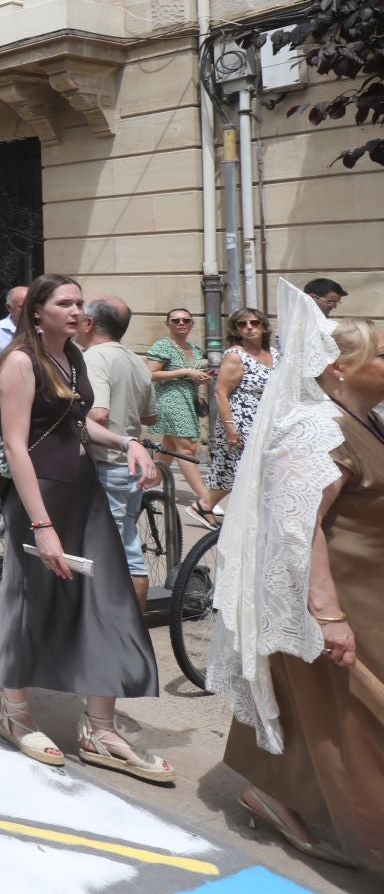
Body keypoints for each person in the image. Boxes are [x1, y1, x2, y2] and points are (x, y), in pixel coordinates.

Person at [212, 286, 382, 871]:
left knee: (318, 704)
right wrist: (328, 616)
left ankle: (272, 789)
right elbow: (298, 527)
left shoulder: (368, 419)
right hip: (348, 599)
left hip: (373, 589)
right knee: (356, 715)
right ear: (340, 369)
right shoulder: (316, 429)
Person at [0, 274, 171, 783]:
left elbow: (77, 423)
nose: (76, 311)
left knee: (107, 599)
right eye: (65, 303)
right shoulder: (20, 361)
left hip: (83, 490)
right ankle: (15, 712)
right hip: (41, 496)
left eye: (79, 303)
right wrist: (42, 525)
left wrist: (127, 442)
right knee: (32, 600)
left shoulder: (73, 356)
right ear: (38, 311)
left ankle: (101, 728)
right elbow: (16, 445)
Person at [83, 296, 159, 611]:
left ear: (89, 323)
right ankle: (134, 625)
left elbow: (98, 413)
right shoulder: (135, 360)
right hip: (129, 467)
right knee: (129, 548)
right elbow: (151, 417)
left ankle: (112, 625)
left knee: (108, 552)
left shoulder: (94, 357)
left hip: (107, 464)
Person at [145, 306, 216, 525]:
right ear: (168, 324)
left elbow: (190, 376)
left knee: (168, 449)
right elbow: (150, 374)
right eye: (175, 320)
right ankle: (205, 501)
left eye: (186, 320)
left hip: (187, 400)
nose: (181, 323)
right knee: (187, 449)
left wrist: (199, 377)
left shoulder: (194, 349)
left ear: (192, 323)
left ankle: (147, 487)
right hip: (169, 401)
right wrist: (186, 372)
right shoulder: (163, 346)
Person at [211, 307, 278, 503]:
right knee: (245, 471)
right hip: (241, 421)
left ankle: (205, 505)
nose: (249, 327)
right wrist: (230, 429)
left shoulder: (274, 354)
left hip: (266, 420)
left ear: (264, 327)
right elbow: (220, 393)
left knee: (256, 471)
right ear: (236, 330)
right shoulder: (235, 356)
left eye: (254, 323)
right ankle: (206, 505)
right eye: (242, 324)